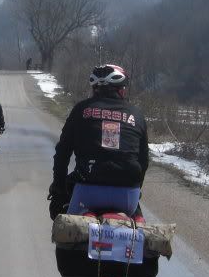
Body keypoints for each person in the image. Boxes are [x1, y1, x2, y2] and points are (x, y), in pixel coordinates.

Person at [48, 64, 149, 220]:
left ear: (95, 89)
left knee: (66, 235)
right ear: (121, 90)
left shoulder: (81, 110)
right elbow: (143, 161)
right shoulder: (137, 115)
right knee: (136, 228)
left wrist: (58, 191)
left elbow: (62, 154)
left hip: (87, 192)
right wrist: (135, 186)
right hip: (127, 196)